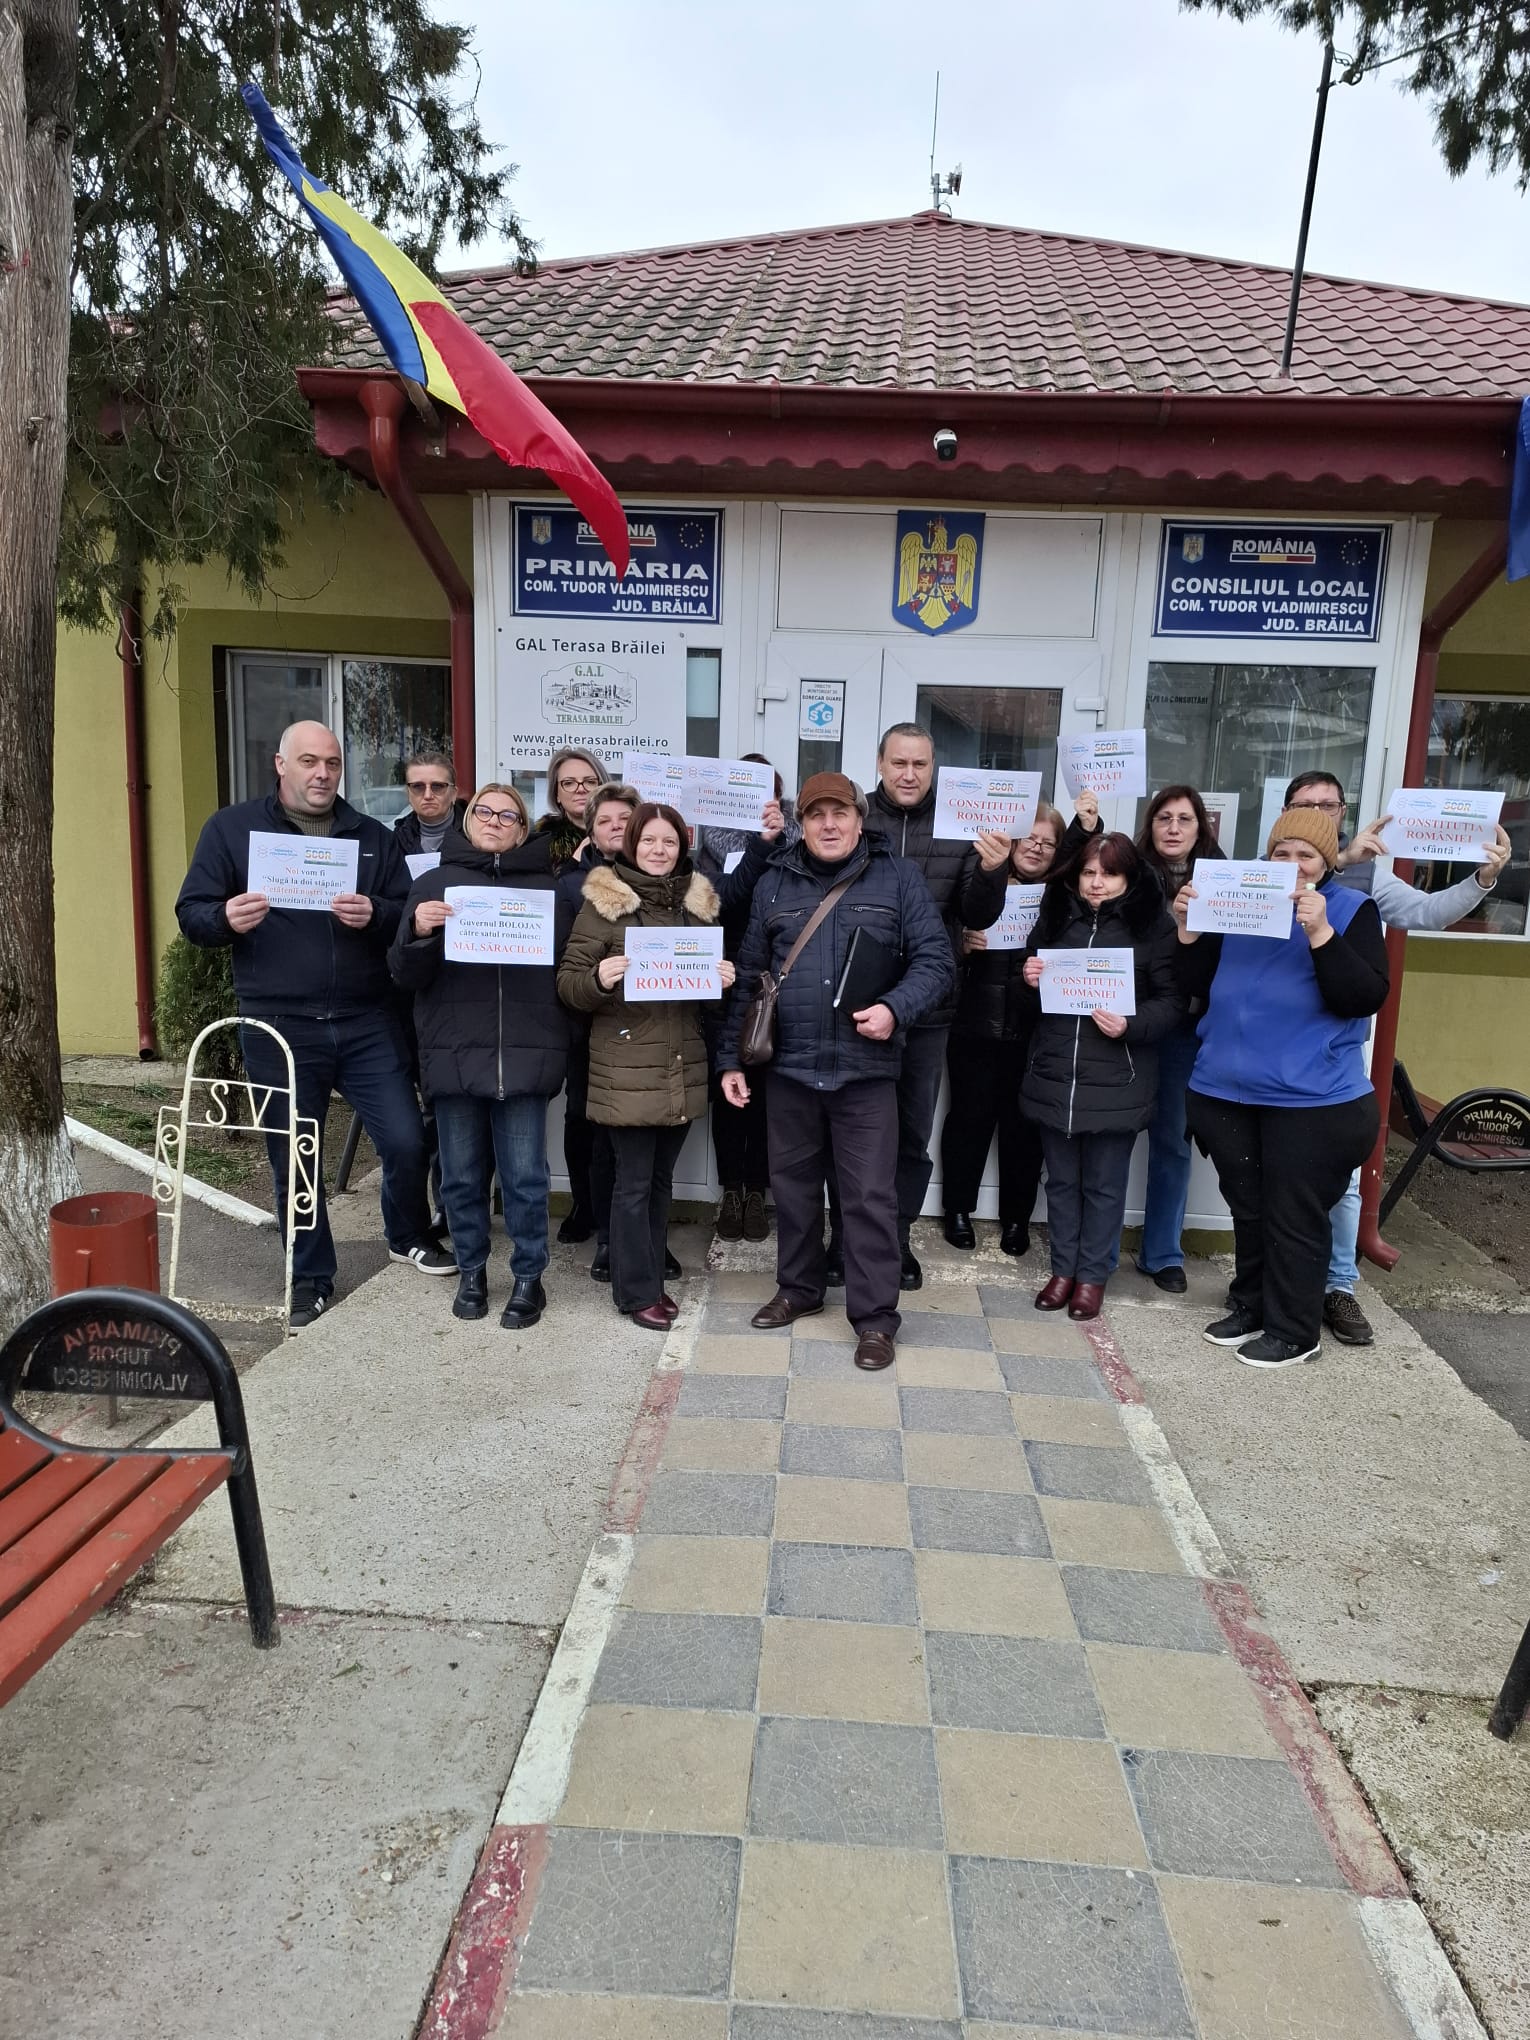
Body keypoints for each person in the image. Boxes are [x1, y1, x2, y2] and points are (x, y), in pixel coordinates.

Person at [175, 720, 455, 1327]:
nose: (322, 774)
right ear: (281, 764)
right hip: (278, 1023)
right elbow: (192, 914)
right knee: (295, 1156)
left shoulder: (372, 837)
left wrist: (375, 913)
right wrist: (224, 918)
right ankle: (309, 1277)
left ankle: (406, 1234)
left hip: (365, 1018)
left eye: (331, 763)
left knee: (406, 1138)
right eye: (309, 762)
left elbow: (408, 915)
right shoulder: (232, 830)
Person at [717, 773, 954, 1372]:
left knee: (869, 1197)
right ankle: (799, 1288)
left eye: (839, 813)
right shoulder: (774, 882)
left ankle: (874, 1318)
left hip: (865, 1070)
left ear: (858, 818)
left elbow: (936, 960)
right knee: (793, 1189)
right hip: (790, 1069)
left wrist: (895, 1009)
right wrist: (730, 1059)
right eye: (816, 814)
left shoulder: (897, 876)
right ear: (801, 823)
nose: (829, 824)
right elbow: (749, 978)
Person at [1280, 768, 1513, 1348]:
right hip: (1270, 1051)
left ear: (1342, 811)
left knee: (1341, 1177)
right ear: (1285, 812)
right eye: (1305, 804)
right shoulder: (1263, 872)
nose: (1319, 813)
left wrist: (1483, 879)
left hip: (1332, 1052)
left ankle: (1338, 1286)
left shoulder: (1368, 875)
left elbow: (1428, 913)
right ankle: (1270, 1285)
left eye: (1329, 805)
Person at [1174, 806, 1388, 1368]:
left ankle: (1295, 1331)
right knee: (1248, 1207)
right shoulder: (1241, 905)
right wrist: (1188, 931)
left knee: (1294, 1216)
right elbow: (1195, 984)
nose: (1292, 864)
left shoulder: (1351, 909)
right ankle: (1251, 1304)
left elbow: (1363, 997)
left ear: (1327, 863)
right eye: (1281, 853)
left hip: (1312, 1099)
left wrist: (1320, 933)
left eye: (1306, 856)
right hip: (1227, 1089)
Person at [389, 785, 568, 1329]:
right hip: (454, 1052)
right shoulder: (433, 884)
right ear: (468, 822)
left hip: (525, 1055)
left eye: (507, 815)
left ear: (522, 829)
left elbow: (568, 972)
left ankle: (529, 1277)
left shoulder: (548, 890)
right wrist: (418, 930)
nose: (494, 821)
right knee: (461, 1179)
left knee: (525, 1180)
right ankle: (471, 1272)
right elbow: (402, 973)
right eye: (484, 811)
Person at [557, 802, 734, 1328]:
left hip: (681, 1065)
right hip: (627, 1068)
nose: (659, 850)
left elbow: (704, 998)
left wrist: (722, 980)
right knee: (632, 1184)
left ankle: (649, 1275)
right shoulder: (604, 905)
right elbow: (568, 984)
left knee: (659, 1181)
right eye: (649, 840)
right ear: (631, 844)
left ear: (683, 848)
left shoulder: (698, 907)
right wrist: (598, 978)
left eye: (670, 842)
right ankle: (636, 1293)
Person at [858, 723, 1011, 1289]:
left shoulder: (960, 824)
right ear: (880, 763)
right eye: (898, 763)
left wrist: (993, 871)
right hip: (856, 1006)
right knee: (851, 1132)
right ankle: (847, 1236)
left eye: (920, 765)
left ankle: (895, 1240)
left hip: (929, 1010)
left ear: (933, 768)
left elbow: (976, 914)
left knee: (910, 1134)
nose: (909, 774)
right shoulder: (853, 818)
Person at [1019, 832, 1183, 1321]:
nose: (1096, 883)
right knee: (1060, 1183)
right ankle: (1062, 1271)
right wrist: (1028, 981)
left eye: (1109, 874)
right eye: (1088, 872)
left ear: (1128, 877)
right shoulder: (1054, 919)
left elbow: (1172, 1002)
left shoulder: (1153, 927)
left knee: (1105, 1186)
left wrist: (1131, 1024)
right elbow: (1029, 999)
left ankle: (1091, 1277)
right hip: (1055, 1073)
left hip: (1118, 1078)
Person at [939, 803, 1065, 1257]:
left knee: (1024, 1130)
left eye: (1049, 843)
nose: (1037, 847)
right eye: (1030, 838)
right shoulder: (980, 881)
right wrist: (961, 945)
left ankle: (1017, 1218)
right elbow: (945, 933)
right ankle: (957, 1209)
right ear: (1011, 840)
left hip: (1033, 1032)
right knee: (967, 1121)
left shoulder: (1062, 897)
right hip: (974, 1024)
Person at [692, 754, 800, 1242]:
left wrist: (775, 841)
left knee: (767, 1096)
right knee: (729, 1091)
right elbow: (723, 903)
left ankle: (757, 1189)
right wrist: (761, 846)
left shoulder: (798, 840)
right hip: (726, 983)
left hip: (780, 983)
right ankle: (731, 1189)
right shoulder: (708, 848)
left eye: (764, 790)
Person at [1131, 785, 1226, 1293]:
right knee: (1109, 1136)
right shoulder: (1126, 873)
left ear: (1200, 827)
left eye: (1184, 819)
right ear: (1150, 825)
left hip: (1185, 1031)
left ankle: (1162, 1253)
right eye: (1163, 818)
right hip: (1126, 1024)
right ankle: (1090, 1247)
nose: (1173, 828)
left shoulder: (1224, 881)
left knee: (1172, 1139)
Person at [556, 781, 640, 1281]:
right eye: (605, 821)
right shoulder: (570, 884)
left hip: (648, 1031)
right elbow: (562, 961)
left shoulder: (668, 879)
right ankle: (593, 1217)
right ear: (590, 830)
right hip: (589, 1024)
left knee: (633, 1140)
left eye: (624, 820)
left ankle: (633, 1235)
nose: (615, 828)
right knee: (587, 1125)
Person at [536, 746, 606, 874]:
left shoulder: (627, 837)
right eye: (569, 783)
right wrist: (575, 861)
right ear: (556, 794)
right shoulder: (539, 843)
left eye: (590, 781)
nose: (580, 789)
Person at [393, 748, 466, 858]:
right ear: (408, 794)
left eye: (437, 786)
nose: (428, 796)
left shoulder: (475, 836)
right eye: (418, 786)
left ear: (453, 794)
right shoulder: (395, 841)